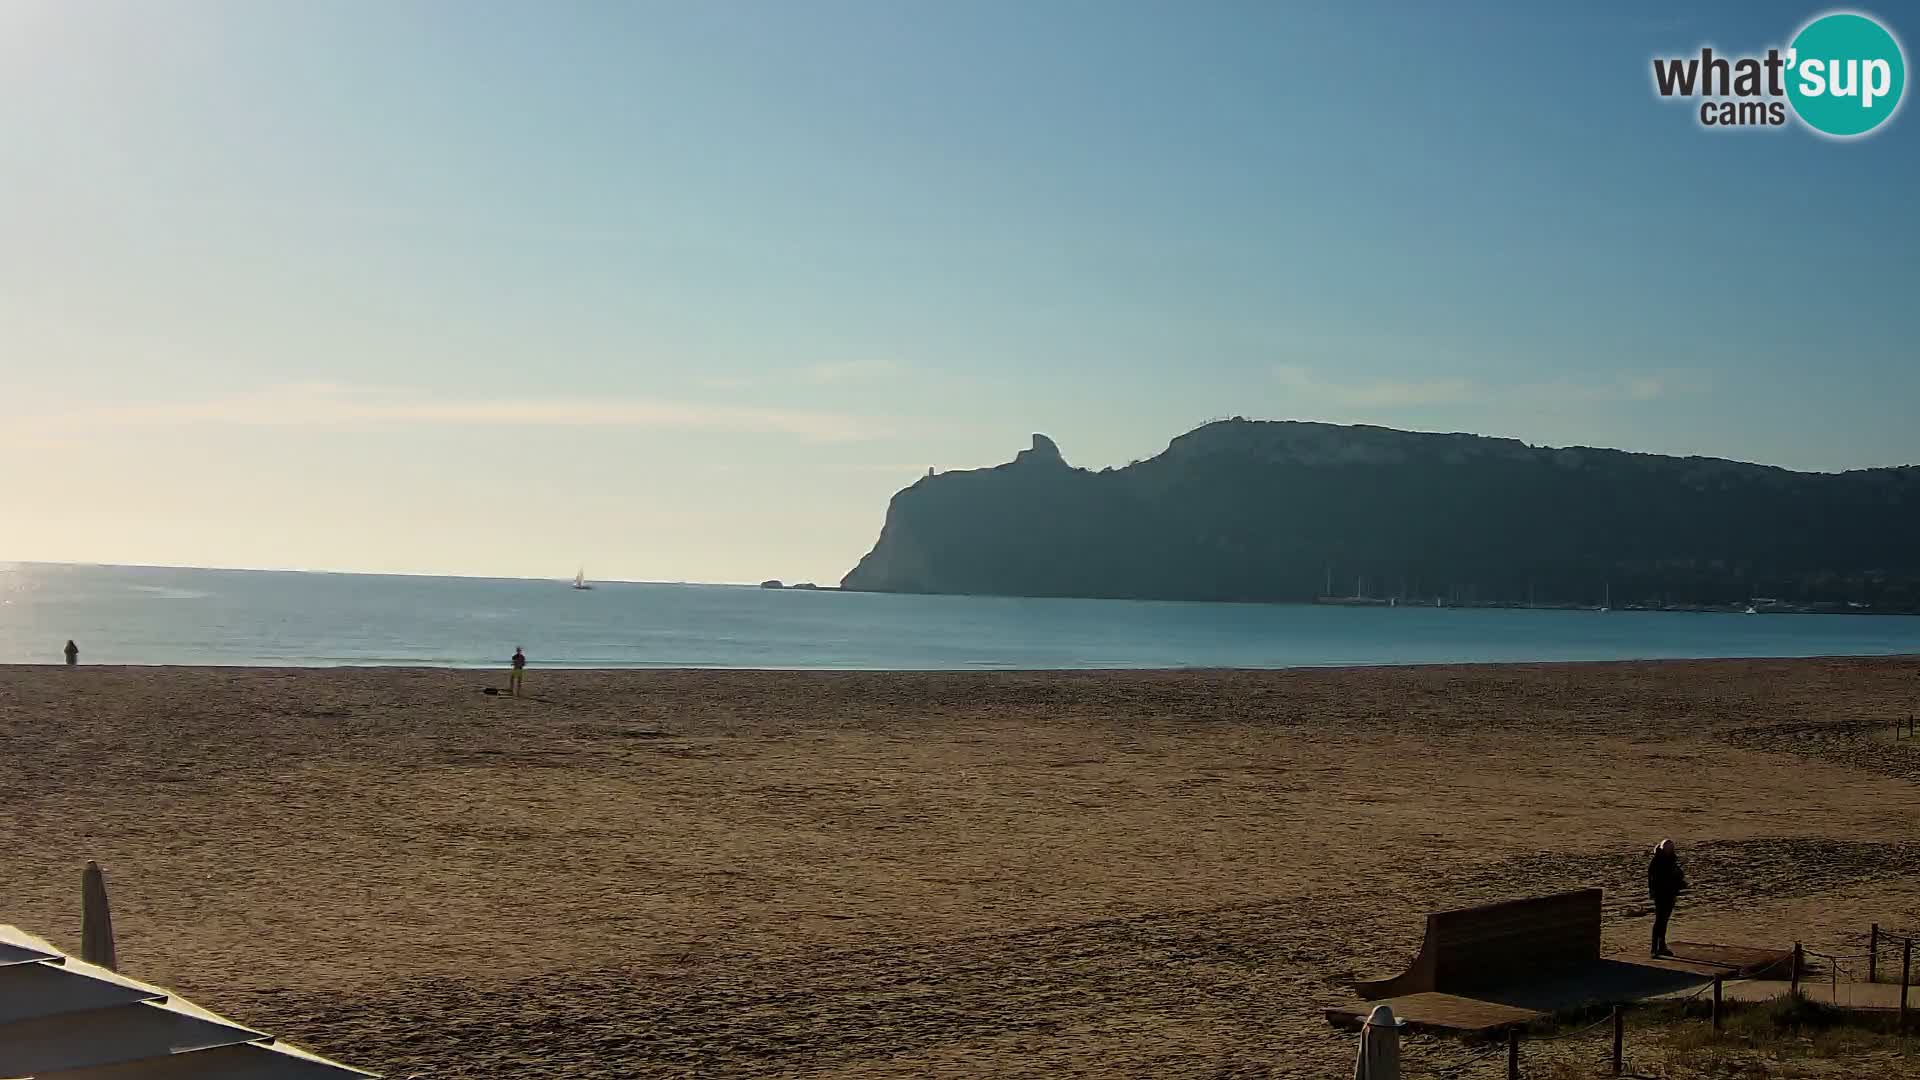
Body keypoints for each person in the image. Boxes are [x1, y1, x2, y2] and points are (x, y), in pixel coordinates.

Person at [1648, 838, 1688, 957]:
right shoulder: (1657, 861)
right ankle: (1655, 948)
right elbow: (1653, 880)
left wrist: (1679, 882)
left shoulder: (1670, 860)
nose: (1670, 851)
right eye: (1668, 849)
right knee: (1660, 921)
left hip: (1670, 893)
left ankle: (1662, 946)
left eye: (1671, 849)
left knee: (1664, 921)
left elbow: (1676, 874)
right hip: (1661, 895)